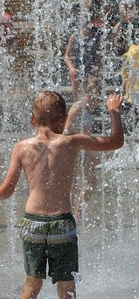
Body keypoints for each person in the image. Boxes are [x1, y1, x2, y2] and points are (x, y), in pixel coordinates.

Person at [0, 91, 124, 299]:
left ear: (32, 120)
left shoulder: (21, 148)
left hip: (33, 223)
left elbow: (5, 192)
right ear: (63, 120)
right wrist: (114, 111)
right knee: (66, 289)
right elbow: (116, 141)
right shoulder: (71, 142)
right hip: (61, 223)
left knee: (31, 287)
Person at [63, 78, 101, 222]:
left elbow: (87, 133)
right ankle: (70, 214)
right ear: (91, 93)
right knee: (76, 182)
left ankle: (77, 213)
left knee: (90, 181)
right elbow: (66, 130)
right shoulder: (78, 107)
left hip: (83, 150)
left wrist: (91, 152)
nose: (98, 100)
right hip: (74, 150)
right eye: (98, 96)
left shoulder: (87, 109)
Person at [64, 15, 103, 100]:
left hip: (90, 68)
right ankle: (77, 102)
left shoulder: (95, 36)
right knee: (74, 78)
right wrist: (71, 68)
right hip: (77, 67)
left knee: (91, 86)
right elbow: (66, 55)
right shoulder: (74, 37)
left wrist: (98, 66)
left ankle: (90, 105)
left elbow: (99, 54)